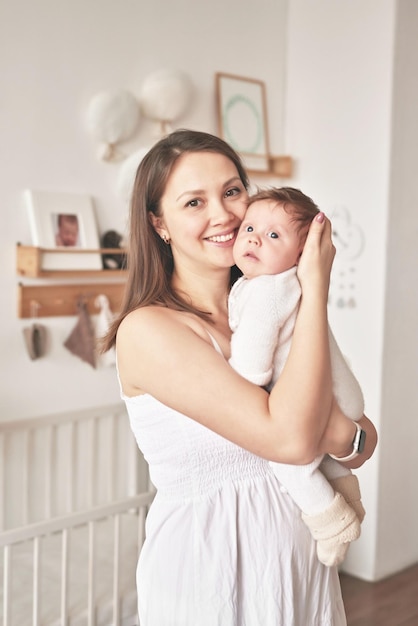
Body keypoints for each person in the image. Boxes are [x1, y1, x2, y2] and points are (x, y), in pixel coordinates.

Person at [103, 129, 377, 626]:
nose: (224, 215)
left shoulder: (265, 307)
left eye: (232, 191)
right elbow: (294, 441)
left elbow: (361, 439)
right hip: (212, 572)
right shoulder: (149, 330)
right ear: (158, 223)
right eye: (194, 202)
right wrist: (314, 288)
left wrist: (342, 434)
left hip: (298, 568)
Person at [229, 186, 366, 567]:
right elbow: (360, 440)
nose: (255, 237)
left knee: (288, 461)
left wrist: (231, 372)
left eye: (274, 235)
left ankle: (332, 521)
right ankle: (349, 498)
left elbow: (252, 368)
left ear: (302, 252)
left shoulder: (267, 291)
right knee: (324, 452)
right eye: (250, 228)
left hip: (320, 400)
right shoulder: (278, 284)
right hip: (342, 396)